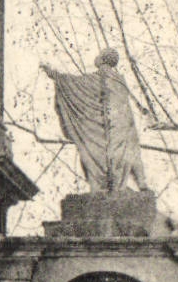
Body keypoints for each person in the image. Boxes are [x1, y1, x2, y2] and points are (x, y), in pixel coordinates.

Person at [41, 48, 148, 193]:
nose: (96, 58)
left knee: (93, 151)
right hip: (126, 124)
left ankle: (108, 187)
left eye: (98, 55)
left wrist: (53, 74)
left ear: (103, 59)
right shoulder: (120, 79)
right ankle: (137, 182)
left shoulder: (101, 76)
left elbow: (74, 84)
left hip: (111, 124)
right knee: (128, 153)